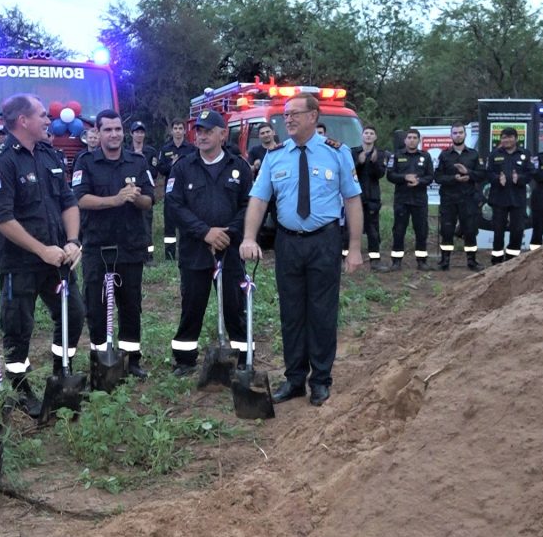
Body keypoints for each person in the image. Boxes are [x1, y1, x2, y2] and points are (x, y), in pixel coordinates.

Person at [239, 93, 363, 407]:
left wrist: (355, 247)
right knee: (291, 313)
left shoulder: (337, 153)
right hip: (288, 242)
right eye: (285, 114)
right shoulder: (275, 155)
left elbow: (352, 201)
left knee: (322, 312)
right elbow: (259, 199)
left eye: (294, 113)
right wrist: (249, 238)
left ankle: (320, 380)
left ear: (312, 116)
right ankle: (294, 379)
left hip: (324, 241)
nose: (288, 119)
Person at [0, 93, 84, 416]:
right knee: (18, 326)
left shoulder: (50, 155)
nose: (48, 118)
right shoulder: (1, 160)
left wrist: (72, 241)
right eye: (41, 114)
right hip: (21, 263)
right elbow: (2, 219)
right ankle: (19, 387)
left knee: (74, 314)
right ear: (23, 121)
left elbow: (68, 202)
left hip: (58, 260)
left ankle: (61, 372)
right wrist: (42, 250)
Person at [166, 109, 253, 376]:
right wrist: (205, 232)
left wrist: (228, 232)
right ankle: (184, 359)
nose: (201, 136)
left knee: (235, 306)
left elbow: (249, 204)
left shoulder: (239, 167)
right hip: (195, 250)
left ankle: (242, 358)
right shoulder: (183, 168)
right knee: (192, 304)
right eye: (199, 131)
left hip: (230, 250)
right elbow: (174, 205)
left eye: (207, 131)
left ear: (222, 134)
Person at [72, 110, 153, 378]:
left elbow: (150, 200)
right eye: (108, 130)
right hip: (97, 246)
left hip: (130, 245)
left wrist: (135, 198)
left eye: (118, 129)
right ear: (97, 132)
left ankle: (131, 360)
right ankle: (100, 359)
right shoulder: (85, 162)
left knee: (130, 304)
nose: (114, 134)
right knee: (96, 307)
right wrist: (115, 200)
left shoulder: (137, 162)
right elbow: (80, 199)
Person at [434, 122, 484, 271]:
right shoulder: (444, 155)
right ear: (451, 135)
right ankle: (445, 261)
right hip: (449, 199)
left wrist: (468, 173)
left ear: (465, 134)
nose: (458, 135)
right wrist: (454, 178)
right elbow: (438, 177)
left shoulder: (474, 154)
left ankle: (472, 261)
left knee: (470, 231)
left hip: (468, 199)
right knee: (447, 231)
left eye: (460, 132)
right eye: (455, 133)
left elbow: (482, 175)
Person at [485, 127, 534, 264]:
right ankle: (497, 259)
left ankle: (512, 259)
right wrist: (497, 179)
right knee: (498, 231)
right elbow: (488, 173)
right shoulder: (494, 154)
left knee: (517, 230)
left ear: (516, 139)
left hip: (517, 198)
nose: (506, 140)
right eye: (504, 137)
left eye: (509, 137)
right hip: (499, 198)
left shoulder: (524, 154)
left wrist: (519, 178)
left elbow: (531, 173)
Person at [387, 129, 434, 271]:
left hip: (419, 201)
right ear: (405, 140)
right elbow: (390, 175)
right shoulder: (396, 156)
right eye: (409, 137)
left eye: (415, 137)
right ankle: (396, 261)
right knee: (399, 230)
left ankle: (421, 261)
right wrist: (404, 177)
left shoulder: (425, 156)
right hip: (402, 200)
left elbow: (430, 177)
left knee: (421, 231)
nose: (412, 140)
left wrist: (419, 181)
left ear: (419, 140)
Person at [352, 125, 389, 272]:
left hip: (372, 198)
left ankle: (375, 261)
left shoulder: (380, 154)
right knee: (350, 230)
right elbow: (350, 173)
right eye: (366, 133)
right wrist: (359, 163)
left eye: (371, 133)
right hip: (355, 198)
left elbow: (380, 175)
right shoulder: (353, 152)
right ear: (362, 136)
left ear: (375, 137)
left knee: (373, 231)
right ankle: (345, 259)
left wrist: (374, 163)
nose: (368, 135)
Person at [158, 120, 197, 260]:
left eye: (181, 128)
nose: (178, 131)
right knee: (170, 224)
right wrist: (172, 165)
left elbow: (196, 167)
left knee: (187, 221)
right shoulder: (165, 149)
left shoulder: (191, 149)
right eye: (176, 128)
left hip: (187, 190)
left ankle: (187, 253)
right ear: (172, 131)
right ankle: (169, 255)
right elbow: (161, 169)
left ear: (185, 131)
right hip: (171, 191)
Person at [129, 120, 159, 263]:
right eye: (137, 132)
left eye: (141, 132)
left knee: (146, 225)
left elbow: (154, 172)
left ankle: (149, 256)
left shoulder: (151, 152)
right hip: (129, 192)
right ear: (131, 134)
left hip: (145, 191)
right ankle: (134, 253)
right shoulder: (126, 152)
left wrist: (141, 159)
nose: (139, 135)